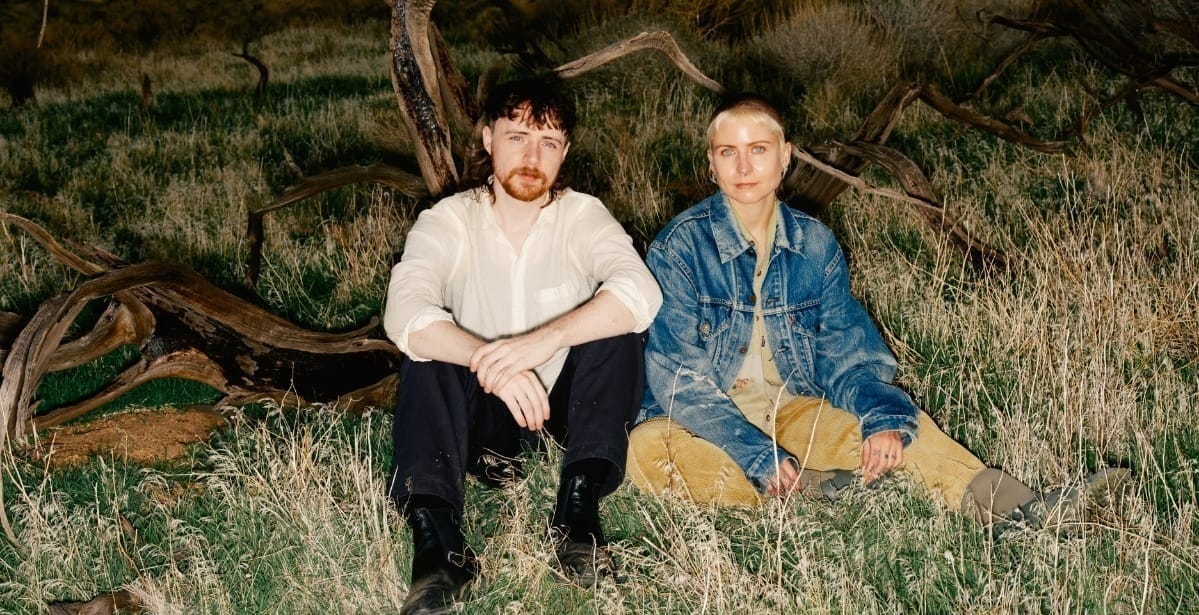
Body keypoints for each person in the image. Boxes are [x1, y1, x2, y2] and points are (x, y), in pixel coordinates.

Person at [626, 93, 1128, 536]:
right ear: (711, 165)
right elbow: (679, 382)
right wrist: (756, 453)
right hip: (705, 419)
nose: (743, 167)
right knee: (646, 455)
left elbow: (848, 352)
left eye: (758, 150)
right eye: (727, 153)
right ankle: (806, 490)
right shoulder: (679, 248)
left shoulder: (814, 244)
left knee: (899, 429)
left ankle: (1022, 510)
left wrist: (879, 416)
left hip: (791, 406)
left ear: (785, 159)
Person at [383, 78, 662, 614]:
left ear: (565, 153)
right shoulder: (450, 220)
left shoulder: (582, 215)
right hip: (479, 429)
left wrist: (541, 343)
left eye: (549, 143)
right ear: (488, 139)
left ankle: (577, 518)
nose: (532, 157)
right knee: (427, 349)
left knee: (616, 327)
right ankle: (439, 548)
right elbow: (405, 312)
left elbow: (639, 291)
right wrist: (493, 363)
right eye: (517, 138)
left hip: (565, 424)